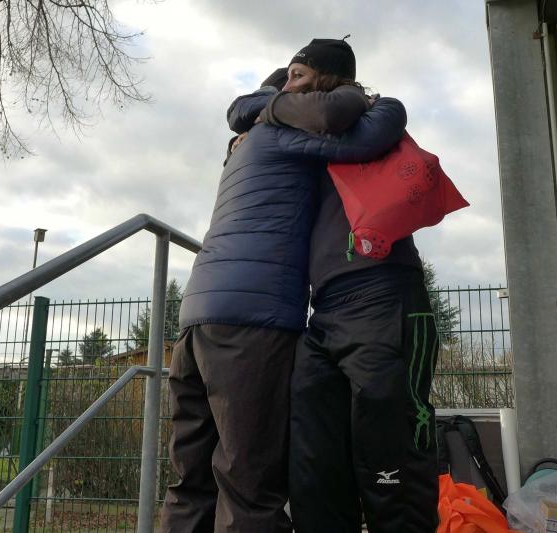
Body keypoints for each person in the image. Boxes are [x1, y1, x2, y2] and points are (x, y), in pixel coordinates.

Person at [160, 38, 407, 533]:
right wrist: (372, 101)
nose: (293, 91)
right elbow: (366, 140)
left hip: (198, 316)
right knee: (249, 482)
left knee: (192, 481)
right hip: (252, 322)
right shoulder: (282, 135)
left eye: (299, 78)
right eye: (289, 81)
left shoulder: (244, 145)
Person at [260, 41, 440, 533]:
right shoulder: (298, 135)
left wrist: (278, 116)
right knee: (314, 464)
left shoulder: (378, 112)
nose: (288, 88)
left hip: (386, 295)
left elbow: (368, 127)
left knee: (390, 453)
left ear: (327, 79)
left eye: (298, 76)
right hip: (324, 312)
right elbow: (249, 110)